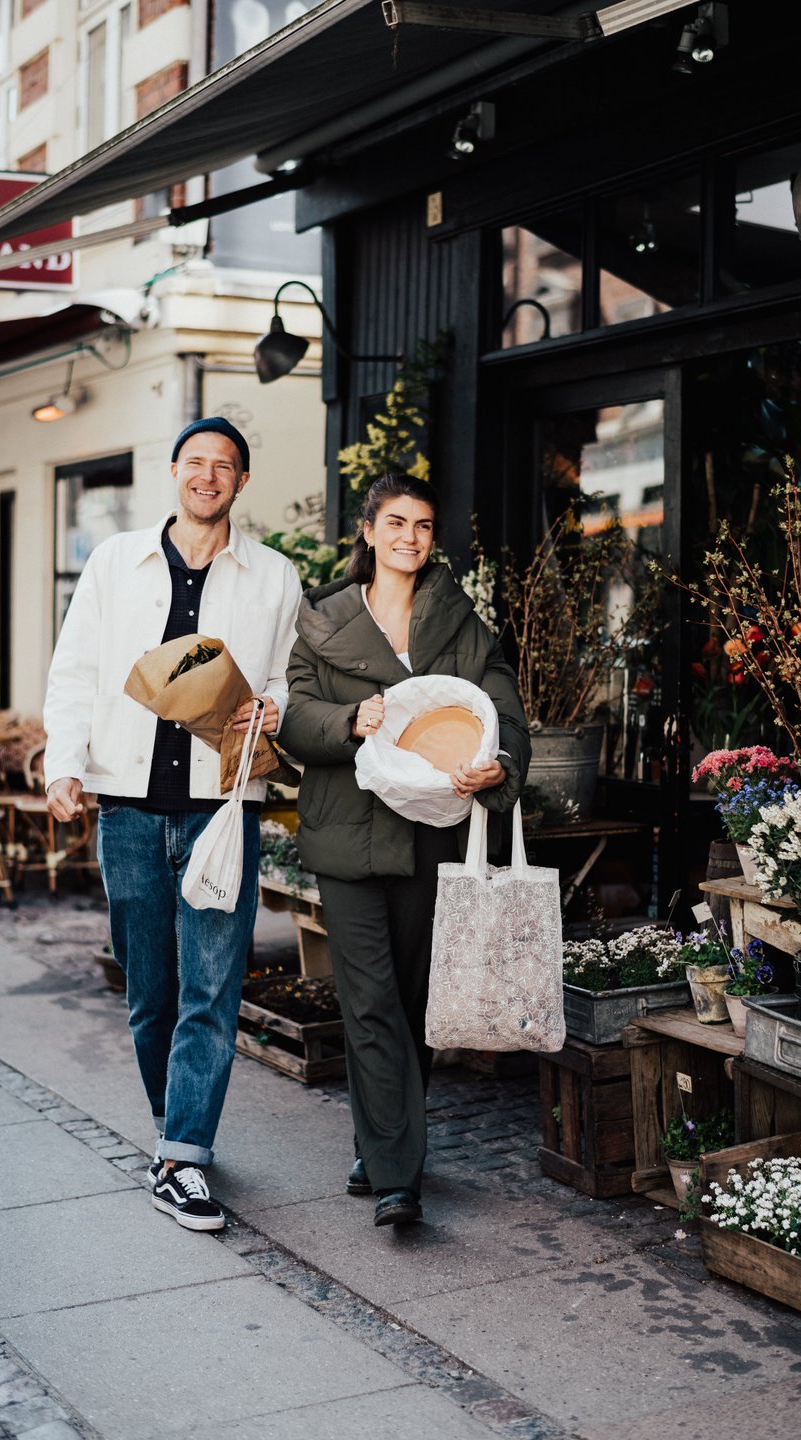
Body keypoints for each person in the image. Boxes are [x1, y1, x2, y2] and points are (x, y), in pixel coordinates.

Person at [44, 417, 302, 1232]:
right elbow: (75, 672)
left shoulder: (274, 576)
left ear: (241, 482)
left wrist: (275, 706)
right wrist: (63, 765)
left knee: (211, 990)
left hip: (222, 810)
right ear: (174, 471)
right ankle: (174, 1130)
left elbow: (289, 676)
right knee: (149, 992)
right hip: (125, 807)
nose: (208, 475)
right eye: (197, 462)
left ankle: (183, 1156)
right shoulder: (116, 562)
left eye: (224, 465)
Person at [280, 473, 529, 1228]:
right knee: (369, 1002)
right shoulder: (323, 619)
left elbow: (505, 710)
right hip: (348, 835)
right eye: (395, 522)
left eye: (421, 525)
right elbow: (295, 720)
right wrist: (349, 720)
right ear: (368, 530)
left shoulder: (460, 620)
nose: (409, 537)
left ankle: (380, 1141)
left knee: (415, 1001)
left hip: (433, 833)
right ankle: (399, 1177)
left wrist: (500, 765)